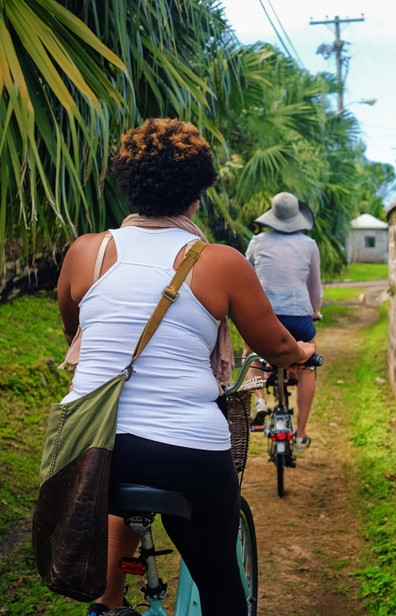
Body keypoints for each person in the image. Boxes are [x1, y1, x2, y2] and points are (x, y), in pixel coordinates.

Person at [55, 118, 315, 616]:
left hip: (89, 446)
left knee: (113, 492)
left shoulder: (86, 251)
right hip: (185, 451)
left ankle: (108, 607)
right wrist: (302, 354)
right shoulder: (220, 262)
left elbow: (76, 333)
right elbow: (278, 347)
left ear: (127, 186)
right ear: (197, 193)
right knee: (220, 584)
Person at [244, 192, 323, 452]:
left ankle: (259, 401)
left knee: (251, 354)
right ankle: (300, 434)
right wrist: (314, 313)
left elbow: (245, 278)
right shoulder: (309, 244)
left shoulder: (257, 241)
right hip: (299, 317)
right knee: (308, 364)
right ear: (297, 218)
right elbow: (315, 289)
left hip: (264, 317)